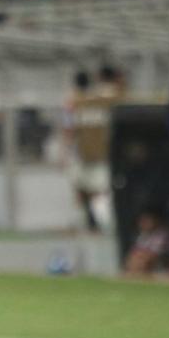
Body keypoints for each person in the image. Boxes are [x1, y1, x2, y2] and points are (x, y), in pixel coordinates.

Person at [62, 70, 115, 232]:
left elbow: (68, 130)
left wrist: (64, 153)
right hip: (101, 154)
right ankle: (100, 223)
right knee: (98, 190)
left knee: (81, 189)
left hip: (81, 155)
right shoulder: (102, 103)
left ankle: (90, 222)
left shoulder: (74, 104)